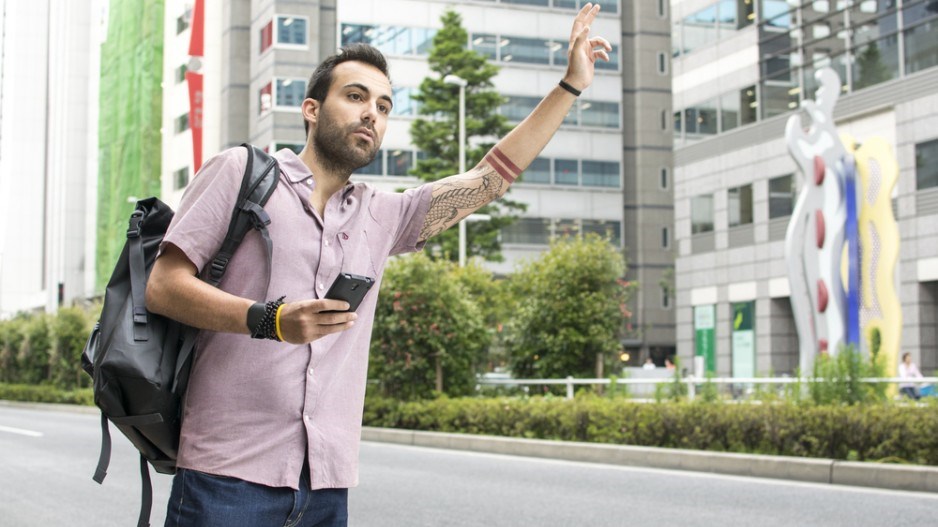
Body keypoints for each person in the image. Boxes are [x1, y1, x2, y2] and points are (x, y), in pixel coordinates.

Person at [146, 4, 610, 526]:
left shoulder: (383, 215)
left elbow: (490, 178)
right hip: (226, 477)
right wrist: (269, 319)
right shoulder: (241, 172)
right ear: (311, 110)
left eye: (385, 106)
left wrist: (569, 86)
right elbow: (164, 287)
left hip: (325, 485)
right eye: (356, 96)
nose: (372, 113)